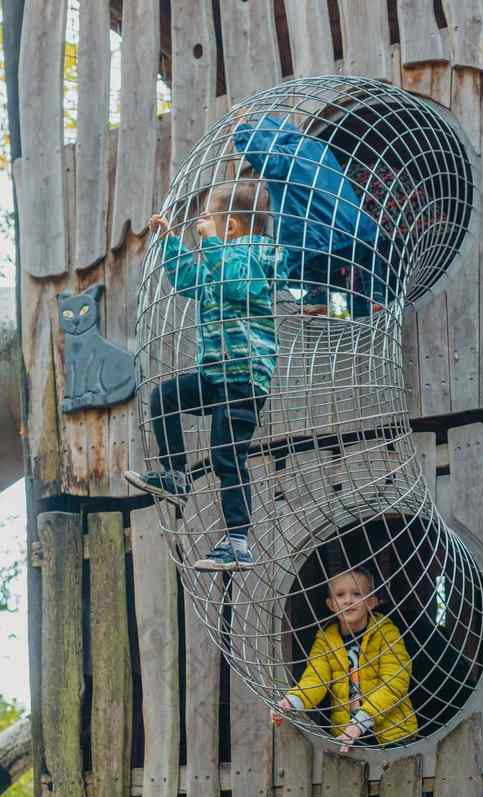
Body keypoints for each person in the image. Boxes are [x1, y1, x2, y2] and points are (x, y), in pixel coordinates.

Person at [124, 181, 288, 571]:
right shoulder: (219, 257)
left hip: (244, 378)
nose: (203, 228)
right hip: (215, 374)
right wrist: (168, 241)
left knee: (227, 456)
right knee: (164, 397)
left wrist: (211, 243)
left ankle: (237, 541)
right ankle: (176, 474)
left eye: (209, 222)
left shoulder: (255, 254)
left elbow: (235, 285)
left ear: (229, 227)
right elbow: (187, 282)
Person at [232, 112, 389, 318]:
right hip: (356, 232)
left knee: (301, 250)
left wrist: (242, 130)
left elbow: (265, 156)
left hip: (317, 241)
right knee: (365, 254)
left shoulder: (285, 157)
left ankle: (317, 297)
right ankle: (373, 298)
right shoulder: (317, 147)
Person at [272, 566, 417, 750]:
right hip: (347, 735)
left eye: (356, 594)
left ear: (371, 602)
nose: (348, 600)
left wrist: (360, 722)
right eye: (340, 595)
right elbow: (315, 679)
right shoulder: (326, 640)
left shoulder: (386, 633)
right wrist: (291, 702)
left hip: (393, 734)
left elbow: (395, 681)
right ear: (331, 604)